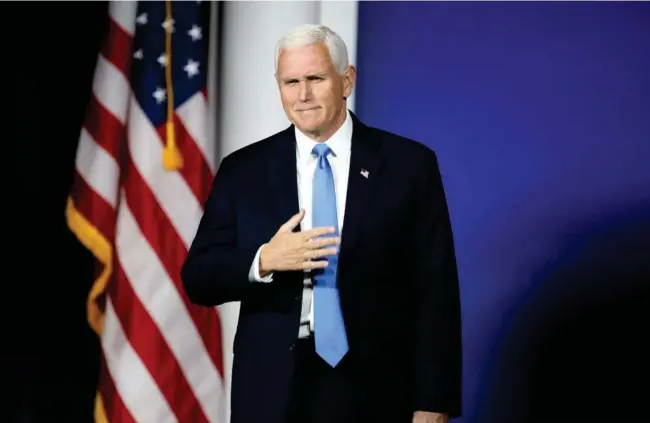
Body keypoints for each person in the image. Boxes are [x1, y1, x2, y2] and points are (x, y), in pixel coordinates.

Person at [182, 24, 462, 423]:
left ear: (346, 80)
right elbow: (199, 277)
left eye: (315, 78)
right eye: (290, 82)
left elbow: (436, 293)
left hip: (377, 388)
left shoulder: (409, 166)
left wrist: (435, 400)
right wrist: (263, 260)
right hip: (272, 388)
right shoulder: (243, 170)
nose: (302, 95)